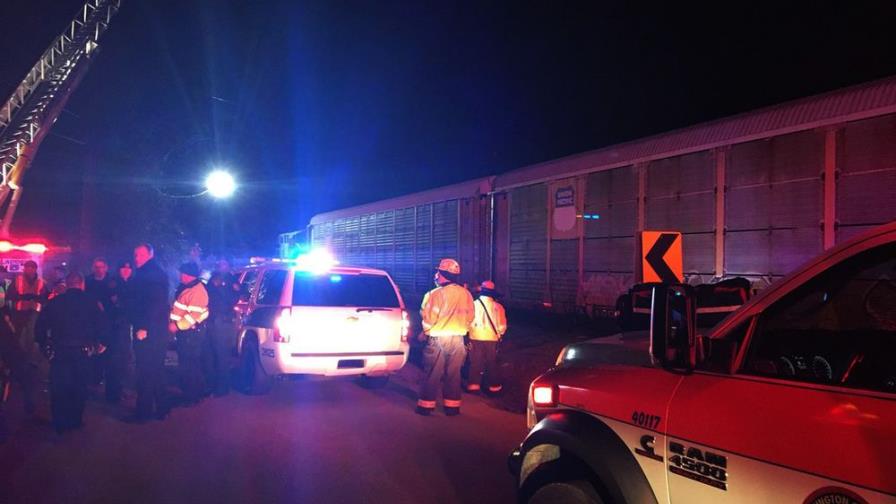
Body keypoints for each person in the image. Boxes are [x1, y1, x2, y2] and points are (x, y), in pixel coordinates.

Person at [34, 272, 105, 434]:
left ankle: (59, 421)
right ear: (81, 284)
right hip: (83, 352)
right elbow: (102, 325)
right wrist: (101, 343)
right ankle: (75, 420)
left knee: (59, 387)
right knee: (79, 386)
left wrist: (44, 345)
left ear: (67, 284)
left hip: (60, 351)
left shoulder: (55, 302)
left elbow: (40, 327)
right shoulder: (91, 303)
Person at [416, 258, 474, 417]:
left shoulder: (434, 294)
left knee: (432, 373)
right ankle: (452, 407)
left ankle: (426, 406)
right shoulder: (466, 294)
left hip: (438, 339)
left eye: (438, 272)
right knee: (454, 374)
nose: (435, 275)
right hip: (458, 340)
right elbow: (470, 317)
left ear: (442, 274)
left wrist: (425, 333)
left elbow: (428, 318)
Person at [127, 243, 170, 423]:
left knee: (145, 370)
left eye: (139, 254)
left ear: (149, 254)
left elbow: (154, 303)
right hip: (156, 330)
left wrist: (144, 327)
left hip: (149, 331)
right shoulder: (152, 272)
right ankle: (161, 408)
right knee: (156, 370)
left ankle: (143, 413)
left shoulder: (149, 274)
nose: (136, 258)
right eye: (135, 254)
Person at [6, 260, 47, 416]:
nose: (29, 270)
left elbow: (45, 297)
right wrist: (24, 297)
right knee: (16, 337)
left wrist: (35, 299)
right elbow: (11, 295)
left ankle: (29, 360)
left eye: (31, 267)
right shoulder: (17, 280)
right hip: (19, 313)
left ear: (35, 269)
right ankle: (16, 357)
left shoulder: (41, 282)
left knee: (32, 338)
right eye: (27, 267)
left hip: (33, 313)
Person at [169, 262, 209, 406]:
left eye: (182, 273)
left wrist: (176, 326)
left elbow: (192, 317)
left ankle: (191, 396)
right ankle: (193, 393)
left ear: (187, 275)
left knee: (189, 365)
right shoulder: (188, 288)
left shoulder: (197, 291)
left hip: (190, 334)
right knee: (189, 364)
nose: (180, 275)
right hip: (187, 333)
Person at [467, 280, 508, 394]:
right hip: (492, 338)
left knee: (475, 361)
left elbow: (468, 321)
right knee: (492, 362)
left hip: (475, 337)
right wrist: (499, 334)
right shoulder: (498, 307)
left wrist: (469, 332)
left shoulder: (473, 305)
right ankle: (494, 386)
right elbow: (502, 325)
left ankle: (473, 384)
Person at [102, 261, 134, 403]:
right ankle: (112, 393)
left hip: (125, 327)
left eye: (129, 268)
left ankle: (120, 390)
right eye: (123, 268)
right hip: (114, 327)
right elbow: (112, 304)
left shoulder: (133, 283)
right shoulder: (113, 283)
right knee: (113, 360)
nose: (126, 270)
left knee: (124, 360)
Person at [204, 271, 238, 396]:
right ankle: (216, 386)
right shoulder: (213, 287)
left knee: (221, 357)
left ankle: (222, 388)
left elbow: (233, 300)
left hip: (221, 325)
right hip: (215, 324)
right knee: (215, 356)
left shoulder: (227, 286)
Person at [85, 258, 115, 387]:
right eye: (96, 267)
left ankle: (105, 377)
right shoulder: (88, 281)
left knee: (107, 349)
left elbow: (115, 300)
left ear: (106, 268)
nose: (99, 269)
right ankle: (93, 379)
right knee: (92, 349)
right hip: (91, 320)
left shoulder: (112, 282)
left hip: (108, 320)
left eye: (101, 267)